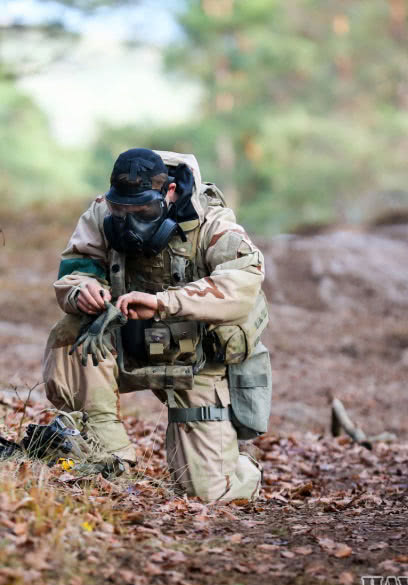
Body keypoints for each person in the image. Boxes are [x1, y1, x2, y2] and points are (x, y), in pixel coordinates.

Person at [42, 148, 270, 502]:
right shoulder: (101, 212)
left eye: (143, 211)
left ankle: (242, 466)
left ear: (169, 192)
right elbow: (76, 266)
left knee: (209, 493)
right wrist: (82, 290)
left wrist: (165, 303)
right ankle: (107, 459)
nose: (130, 221)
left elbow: (244, 281)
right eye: (122, 211)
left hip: (194, 360)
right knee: (71, 332)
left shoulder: (210, 220)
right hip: (125, 344)